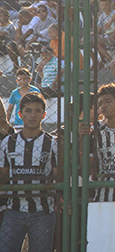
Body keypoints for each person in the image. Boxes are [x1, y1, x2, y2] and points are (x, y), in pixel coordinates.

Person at [0, 92, 58, 252]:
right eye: (28, 111)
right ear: (20, 114)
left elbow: (58, 176)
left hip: (43, 211)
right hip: (14, 210)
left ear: (44, 114)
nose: (33, 115)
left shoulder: (52, 143)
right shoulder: (8, 142)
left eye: (37, 111)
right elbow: (3, 175)